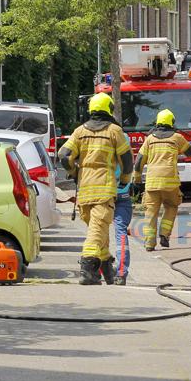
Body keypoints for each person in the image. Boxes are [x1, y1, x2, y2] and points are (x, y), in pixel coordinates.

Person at [59, 93, 133, 285]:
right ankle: (87, 269)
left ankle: (107, 268)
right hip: (105, 190)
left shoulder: (79, 132)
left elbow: (64, 155)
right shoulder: (115, 131)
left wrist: (74, 173)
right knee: (96, 232)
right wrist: (125, 181)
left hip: (84, 191)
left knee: (98, 230)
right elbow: (127, 160)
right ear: (108, 109)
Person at [134, 109, 191, 252]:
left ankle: (149, 243)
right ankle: (165, 235)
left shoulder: (149, 139)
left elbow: (139, 162)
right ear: (172, 123)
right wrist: (177, 150)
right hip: (170, 183)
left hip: (152, 182)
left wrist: (137, 179)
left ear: (157, 123)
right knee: (171, 207)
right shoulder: (177, 138)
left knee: (151, 212)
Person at [112, 164, 133, 286]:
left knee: (98, 231)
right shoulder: (124, 144)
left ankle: (95, 269)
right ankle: (121, 273)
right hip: (122, 194)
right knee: (121, 233)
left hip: (102, 194)